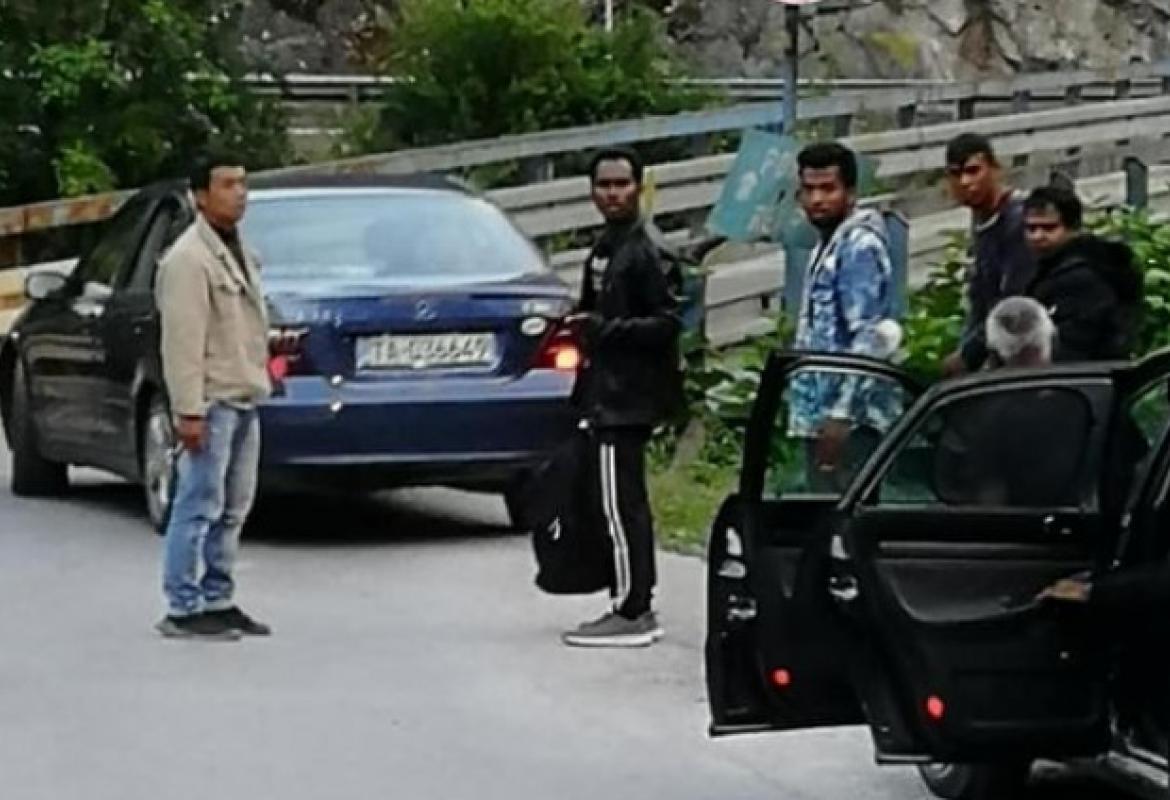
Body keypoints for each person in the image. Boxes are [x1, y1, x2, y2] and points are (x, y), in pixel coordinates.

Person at [560, 147, 683, 648]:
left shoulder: (646, 249)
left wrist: (603, 329)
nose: (612, 194)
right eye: (603, 185)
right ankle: (627, 599)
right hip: (604, 392)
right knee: (614, 501)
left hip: (627, 398)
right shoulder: (606, 247)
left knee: (621, 506)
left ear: (639, 187)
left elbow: (667, 323)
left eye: (621, 184)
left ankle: (634, 609)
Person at [154, 151, 272, 641]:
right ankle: (183, 606)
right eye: (226, 184)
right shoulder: (188, 260)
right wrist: (189, 411)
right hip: (211, 401)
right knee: (198, 503)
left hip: (244, 394)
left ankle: (218, 595)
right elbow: (182, 343)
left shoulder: (239, 249)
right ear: (200, 196)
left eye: (242, 183)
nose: (239, 193)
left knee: (233, 506)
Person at [787, 142, 897, 492]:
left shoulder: (859, 246)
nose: (817, 199)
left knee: (843, 515)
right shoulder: (828, 242)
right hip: (822, 416)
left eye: (828, 189)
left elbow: (869, 337)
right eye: (809, 190)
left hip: (850, 424)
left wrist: (841, 416)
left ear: (849, 192)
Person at [941, 133, 1036, 377]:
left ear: (995, 169)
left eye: (973, 171)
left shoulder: (1016, 221)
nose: (965, 182)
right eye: (956, 174)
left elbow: (1013, 303)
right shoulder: (983, 219)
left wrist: (969, 355)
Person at [1022, 185, 1143, 362]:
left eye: (1049, 228)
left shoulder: (1081, 278)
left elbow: (1072, 346)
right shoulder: (1055, 267)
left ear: (1073, 229)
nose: (1037, 236)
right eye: (1031, 228)